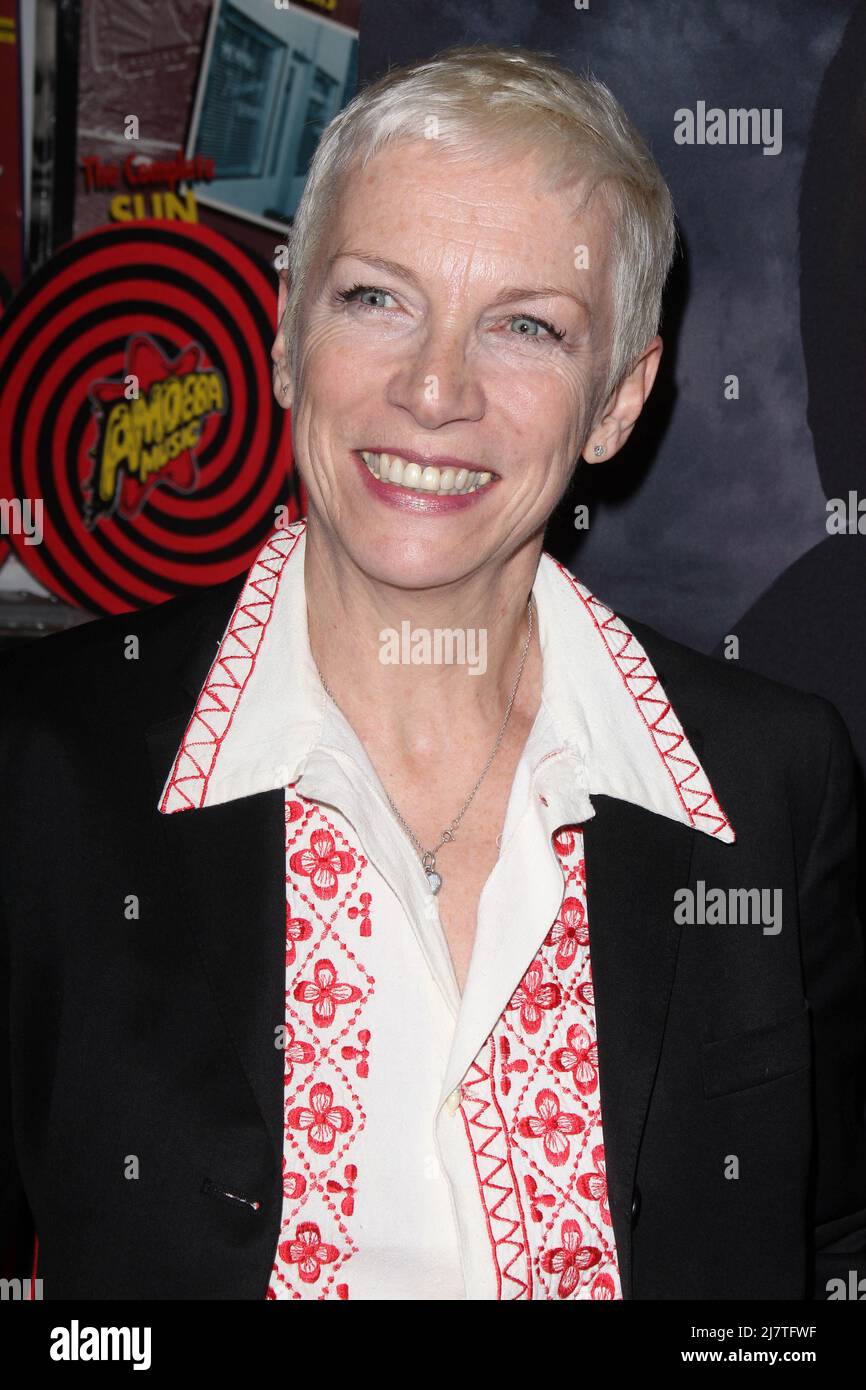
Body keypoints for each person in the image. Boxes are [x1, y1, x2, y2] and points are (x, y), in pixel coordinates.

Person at [1, 43, 864, 1301]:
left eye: (524, 325)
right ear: (288, 336)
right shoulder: (40, 767)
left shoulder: (767, 780)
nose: (433, 388)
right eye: (375, 298)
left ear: (618, 399)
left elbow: (832, 1241)